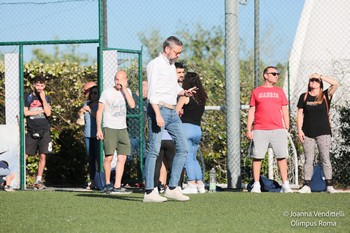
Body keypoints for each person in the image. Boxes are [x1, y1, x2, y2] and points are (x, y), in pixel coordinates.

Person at [143, 36, 197, 202]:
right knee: (154, 150)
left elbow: (173, 87)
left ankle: (172, 188)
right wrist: (157, 115)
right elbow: (152, 93)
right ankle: (149, 192)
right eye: (176, 52)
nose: (178, 55)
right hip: (158, 110)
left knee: (183, 148)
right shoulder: (154, 64)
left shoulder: (171, 65)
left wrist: (183, 92)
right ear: (167, 49)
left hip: (172, 111)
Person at [246, 66, 292, 193]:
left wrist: (287, 127)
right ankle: (256, 184)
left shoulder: (280, 92)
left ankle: (285, 184)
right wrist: (249, 129)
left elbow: (284, 110)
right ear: (265, 75)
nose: (276, 76)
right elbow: (252, 110)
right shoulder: (256, 91)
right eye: (273, 73)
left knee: (281, 157)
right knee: (257, 157)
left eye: (277, 74)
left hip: (278, 129)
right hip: (260, 129)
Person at [297, 74, 339, 194]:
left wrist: (320, 76)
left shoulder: (326, 95)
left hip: (323, 132)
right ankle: (306, 185)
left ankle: (329, 185)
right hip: (308, 133)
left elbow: (336, 83)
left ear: (320, 83)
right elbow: (300, 114)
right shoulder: (304, 97)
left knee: (325, 158)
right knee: (308, 159)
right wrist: (299, 130)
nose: (313, 82)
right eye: (311, 80)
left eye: (316, 81)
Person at [96, 70, 135, 194]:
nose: (119, 82)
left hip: (122, 128)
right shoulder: (107, 92)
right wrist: (99, 129)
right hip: (109, 127)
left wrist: (125, 90)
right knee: (109, 157)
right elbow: (99, 111)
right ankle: (107, 184)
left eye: (121, 80)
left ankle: (117, 185)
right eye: (117, 79)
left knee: (122, 157)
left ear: (126, 80)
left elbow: (132, 105)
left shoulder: (127, 92)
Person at [176, 72, 208, 194]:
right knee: (193, 158)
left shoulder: (185, 97)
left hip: (186, 128)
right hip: (197, 129)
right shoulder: (201, 99)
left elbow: (175, 112)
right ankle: (200, 184)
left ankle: (191, 184)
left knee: (187, 157)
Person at [24, 75, 52, 190]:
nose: (39, 87)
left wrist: (43, 99)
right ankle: (19, 177)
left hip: (44, 130)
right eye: (37, 84)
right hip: (31, 130)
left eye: (42, 85)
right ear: (33, 85)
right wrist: (40, 110)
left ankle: (38, 180)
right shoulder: (28, 97)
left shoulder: (47, 98)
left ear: (44, 86)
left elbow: (48, 113)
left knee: (43, 155)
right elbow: (26, 113)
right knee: (25, 154)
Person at [125, 80, 148, 187]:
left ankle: (141, 181)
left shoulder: (146, 102)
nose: (148, 92)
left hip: (141, 136)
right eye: (147, 89)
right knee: (127, 159)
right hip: (129, 134)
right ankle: (125, 181)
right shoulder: (132, 98)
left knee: (142, 159)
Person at [77, 85, 99, 189]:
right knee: (90, 159)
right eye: (92, 93)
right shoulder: (86, 103)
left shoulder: (100, 104)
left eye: (95, 93)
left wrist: (90, 110)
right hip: (88, 135)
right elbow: (80, 115)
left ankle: (100, 180)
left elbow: (99, 116)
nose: (93, 95)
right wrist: (81, 111)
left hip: (97, 134)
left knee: (99, 158)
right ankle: (92, 181)